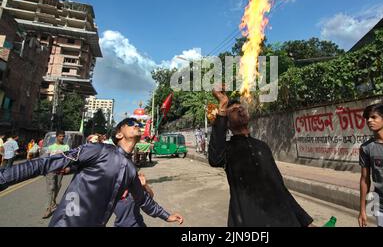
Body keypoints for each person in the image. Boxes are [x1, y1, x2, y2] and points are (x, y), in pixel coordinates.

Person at [0, 118, 184, 227]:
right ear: (119, 135)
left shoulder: (130, 170)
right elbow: (45, 163)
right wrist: (3, 177)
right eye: (130, 123)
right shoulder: (98, 150)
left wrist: (166, 216)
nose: (136, 124)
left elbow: (143, 200)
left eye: (137, 123)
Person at [208, 87, 313, 227]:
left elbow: (279, 188)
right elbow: (214, 159)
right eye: (233, 110)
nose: (239, 109)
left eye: (241, 107)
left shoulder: (262, 146)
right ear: (227, 123)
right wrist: (222, 104)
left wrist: (305, 222)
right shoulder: (228, 150)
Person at [42, 130, 70, 219]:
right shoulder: (50, 147)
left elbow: (68, 158)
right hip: (50, 171)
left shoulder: (66, 147)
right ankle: (47, 209)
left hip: (60, 171)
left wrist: (68, 167)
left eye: (63, 136)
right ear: (57, 137)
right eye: (60, 136)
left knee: (57, 186)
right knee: (51, 188)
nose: (62, 138)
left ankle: (53, 201)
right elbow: (45, 159)